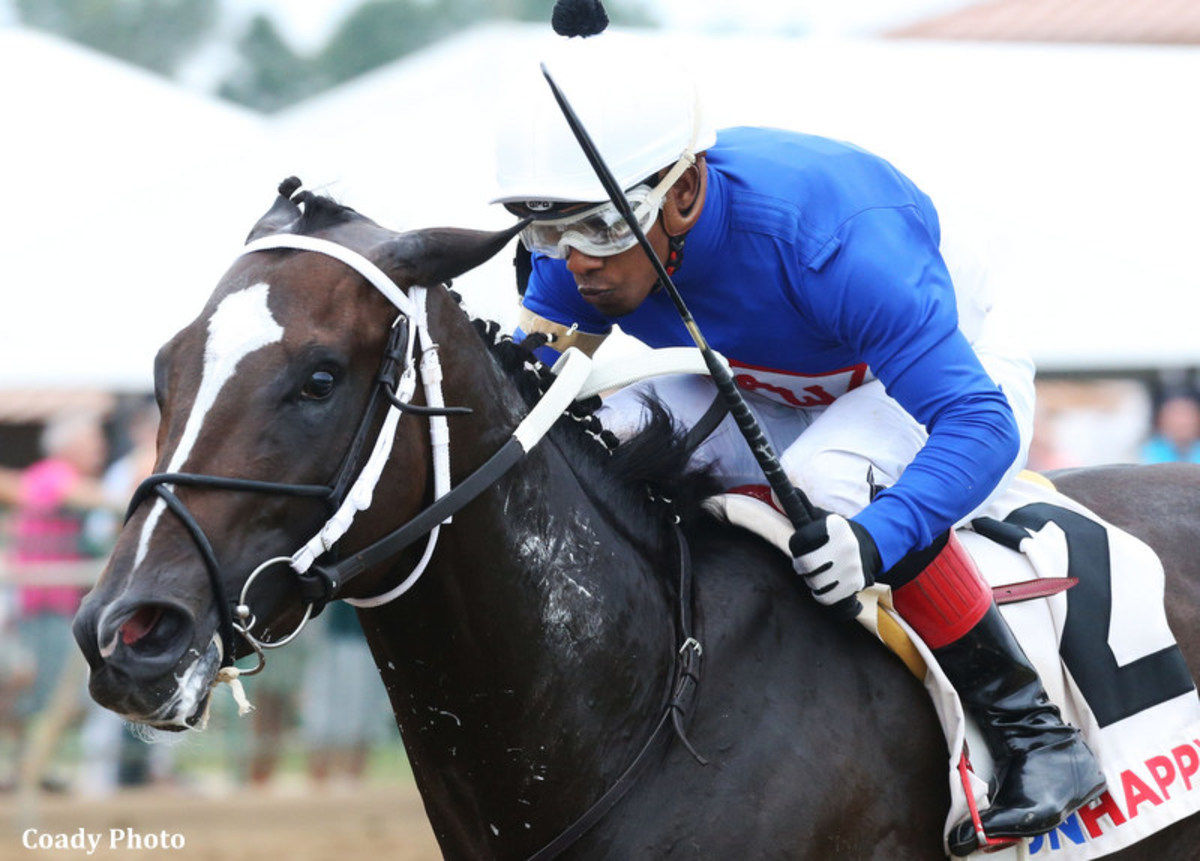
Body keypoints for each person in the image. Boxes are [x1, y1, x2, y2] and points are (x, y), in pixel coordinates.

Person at [489, 4, 1104, 853]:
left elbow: (978, 422)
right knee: (597, 437)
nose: (575, 261)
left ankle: (1038, 733)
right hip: (778, 382)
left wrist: (877, 536)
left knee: (831, 485)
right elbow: (528, 390)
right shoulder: (579, 252)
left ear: (686, 190)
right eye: (548, 230)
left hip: (941, 378)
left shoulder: (834, 241)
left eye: (597, 227)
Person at [1141, 388, 1200, 464]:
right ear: (1160, 419)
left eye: (1188, 415)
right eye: (1175, 414)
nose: (1182, 422)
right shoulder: (1142, 454)